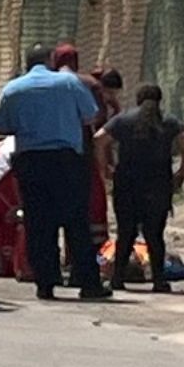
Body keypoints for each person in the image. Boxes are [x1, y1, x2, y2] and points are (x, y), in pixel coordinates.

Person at [0, 45, 111, 301]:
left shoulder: (13, 89)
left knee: (38, 224)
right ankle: (88, 283)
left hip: (31, 162)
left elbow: (3, 126)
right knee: (77, 223)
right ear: (50, 61)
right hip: (67, 161)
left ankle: (45, 284)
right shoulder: (69, 83)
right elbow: (90, 116)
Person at [93, 84, 184, 293]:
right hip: (158, 185)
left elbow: (99, 139)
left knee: (126, 233)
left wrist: (105, 169)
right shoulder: (168, 121)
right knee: (154, 235)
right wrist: (181, 172)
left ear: (138, 99)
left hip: (127, 184)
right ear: (160, 101)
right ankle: (159, 281)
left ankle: (118, 279)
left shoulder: (123, 119)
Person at [52, 42, 111, 252]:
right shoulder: (89, 83)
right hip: (82, 151)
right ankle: (87, 258)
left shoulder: (46, 83)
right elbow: (100, 117)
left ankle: (57, 258)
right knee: (82, 206)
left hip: (52, 152)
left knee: (54, 204)